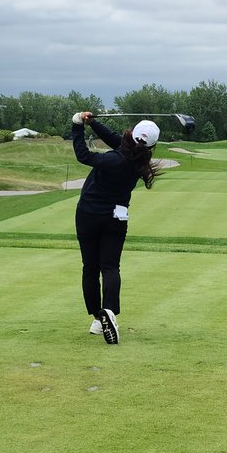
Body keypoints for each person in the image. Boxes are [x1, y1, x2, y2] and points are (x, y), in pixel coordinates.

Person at [71, 111, 161, 344]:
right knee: (110, 267)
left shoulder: (114, 160)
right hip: (116, 218)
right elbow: (113, 138)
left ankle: (97, 317)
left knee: (90, 268)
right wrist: (92, 123)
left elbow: (83, 155)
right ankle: (108, 312)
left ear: (132, 134)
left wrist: (77, 125)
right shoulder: (139, 160)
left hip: (89, 215)